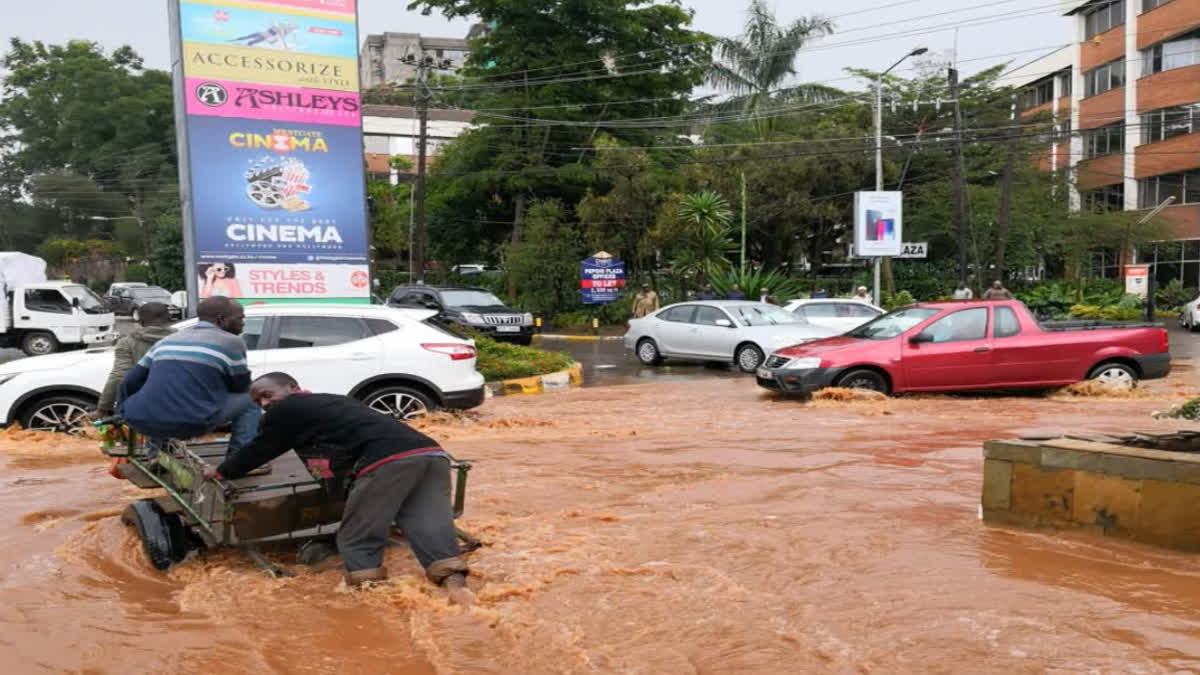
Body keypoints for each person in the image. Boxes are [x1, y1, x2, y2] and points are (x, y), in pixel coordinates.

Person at [206, 372, 472, 602]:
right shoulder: (335, 401)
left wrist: (222, 470)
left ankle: (372, 600)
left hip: (385, 462)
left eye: (267, 395)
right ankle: (457, 590)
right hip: (431, 454)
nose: (265, 404)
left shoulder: (288, 408)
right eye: (258, 402)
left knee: (357, 537)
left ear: (292, 388)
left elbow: (261, 449)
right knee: (429, 526)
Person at [119, 296, 260, 454]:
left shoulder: (167, 341)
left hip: (140, 419)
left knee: (164, 398)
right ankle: (238, 459)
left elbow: (130, 381)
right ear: (221, 319)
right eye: (240, 318)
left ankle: (157, 453)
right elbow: (240, 387)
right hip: (190, 424)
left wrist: (123, 410)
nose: (243, 322)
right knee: (253, 398)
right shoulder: (232, 342)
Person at [94, 303, 175, 419]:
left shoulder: (127, 343)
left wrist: (103, 408)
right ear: (169, 318)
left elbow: (119, 376)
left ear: (140, 321)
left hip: (142, 406)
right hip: (179, 403)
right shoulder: (184, 339)